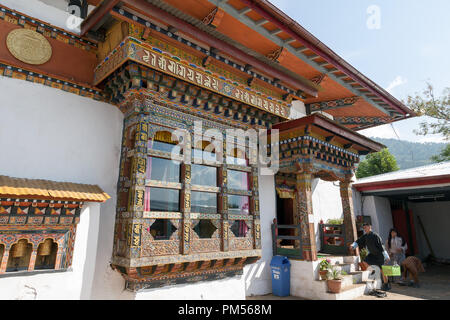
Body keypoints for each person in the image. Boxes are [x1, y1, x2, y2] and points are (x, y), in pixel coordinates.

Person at [349, 222, 391, 291]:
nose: (364, 229)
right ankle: (373, 271)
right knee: (365, 261)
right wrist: (353, 246)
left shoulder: (375, 236)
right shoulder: (365, 236)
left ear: (369, 227)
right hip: (372, 255)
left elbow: (381, 247)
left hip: (379, 255)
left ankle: (386, 284)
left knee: (383, 271)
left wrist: (386, 256)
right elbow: (358, 241)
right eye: (364, 228)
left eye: (365, 227)